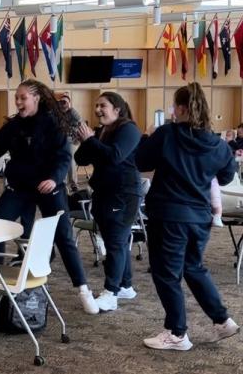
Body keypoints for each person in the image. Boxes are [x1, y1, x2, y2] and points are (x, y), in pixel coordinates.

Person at [0, 79, 98, 314]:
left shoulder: (54, 123)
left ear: (36, 99)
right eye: (17, 98)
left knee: (64, 237)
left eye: (23, 97)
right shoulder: (14, 126)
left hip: (48, 187)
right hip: (20, 188)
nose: (19, 102)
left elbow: (63, 157)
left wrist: (53, 178)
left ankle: (83, 289)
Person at [136, 82, 239, 351]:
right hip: (200, 217)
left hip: (169, 215)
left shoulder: (167, 134)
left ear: (180, 108)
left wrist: (148, 137)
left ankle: (177, 333)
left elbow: (140, 161)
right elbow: (227, 175)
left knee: (166, 273)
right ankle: (222, 320)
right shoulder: (217, 143)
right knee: (193, 268)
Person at [74, 92, 142, 313]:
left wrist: (92, 140)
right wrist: (88, 140)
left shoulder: (128, 129)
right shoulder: (103, 130)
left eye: (102, 105)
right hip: (104, 193)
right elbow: (80, 159)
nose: (97, 110)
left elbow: (114, 156)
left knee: (114, 243)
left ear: (117, 109)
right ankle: (125, 286)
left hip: (122, 194)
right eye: (96, 106)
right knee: (117, 242)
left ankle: (110, 293)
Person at [56, 92, 82, 193]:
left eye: (64, 102)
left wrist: (70, 128)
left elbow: (81, 124)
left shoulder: (72, 112)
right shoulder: (57, 113)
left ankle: (73, 183)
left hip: (71, 140)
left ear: (69, 103)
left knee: (70, 158)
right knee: (57, 158)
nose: (63, 104)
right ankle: (61, 182)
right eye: (61, 102)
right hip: (60, 140)